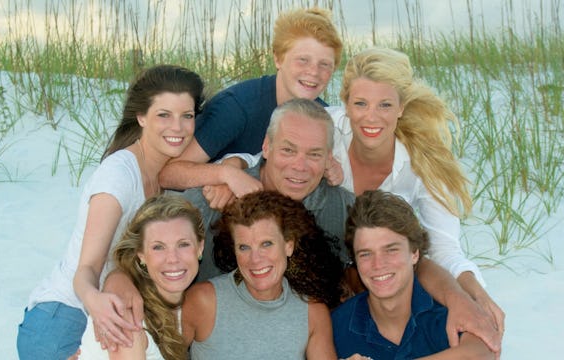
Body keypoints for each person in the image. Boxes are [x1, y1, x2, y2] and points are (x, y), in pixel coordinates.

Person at [100, 98, 501, 355]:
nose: (299, 166)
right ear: (267, 148)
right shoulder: (214, 195)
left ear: (329, 157)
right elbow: (146, 247)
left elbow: (401, 253)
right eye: (288, 150)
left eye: (313, 154)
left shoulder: (339, 206)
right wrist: (117, 278)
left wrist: (461, 297)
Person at [16, 65, 204, 360]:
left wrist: (233, 169)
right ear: (141, 117)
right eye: (164, 115)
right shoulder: (118, 177)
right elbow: (86, 269)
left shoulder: (165, 175)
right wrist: (96, 303)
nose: (177, 128)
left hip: (110, 308)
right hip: (65, 317)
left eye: (187, 116)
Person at [326, 47, 505, 342]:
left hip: (382, 270)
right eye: (360, 103)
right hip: (323, 264)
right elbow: (269, 158)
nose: (371, 117)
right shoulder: (325, 130)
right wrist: (233, 165)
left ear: (401, 107)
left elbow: (444, 249)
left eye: (384, 105)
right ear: (345, 103)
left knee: (463, 317)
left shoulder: (424, 160)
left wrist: (476, 294)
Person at [157, 7, 344, 206]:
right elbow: (168, 173)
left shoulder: (324, 118)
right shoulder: (237, 107)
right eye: (303, 60)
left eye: (325, 64)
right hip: (203, 209)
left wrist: (331, 170)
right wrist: (226, 174)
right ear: (278, 58)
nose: (314, 72)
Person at [333, 190, 494, 359]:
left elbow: (483, 352)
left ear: (415, 253)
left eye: (391, 250)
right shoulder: (339, 324)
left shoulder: (447, 311)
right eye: (365, 254)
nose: (378, 264)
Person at [184, 190, 343, 359]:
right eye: (244, 247)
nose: (255, 259)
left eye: (266, 244)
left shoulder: (313, 314)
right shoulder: (203, 300)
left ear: (289, 245)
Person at [78, 194, 205, 360]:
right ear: (141, 255)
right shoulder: (127, 317)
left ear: (200, 247)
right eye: (158, 247)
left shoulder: (188, 306)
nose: (173, 258)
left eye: (183, 244)